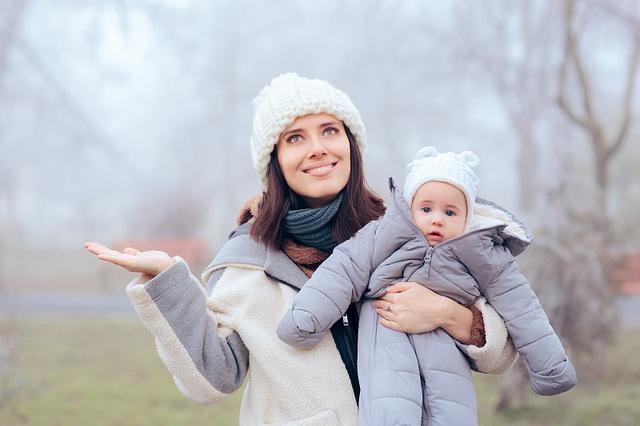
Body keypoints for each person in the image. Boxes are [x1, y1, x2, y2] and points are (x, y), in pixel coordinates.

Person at [84, 73, 517, 426]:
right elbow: (212, 381)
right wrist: (166, 282)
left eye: (330, 130)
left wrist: (448, 314)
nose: (318, 149)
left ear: (350, 144)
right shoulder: (248, 262)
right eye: (294, 138)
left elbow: (500, 353)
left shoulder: (410, 231)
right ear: (274, 160)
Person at [277, 146, 578, 425]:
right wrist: (306, 319)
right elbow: (344, 268)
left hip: (444, 348)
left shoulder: (482, 252)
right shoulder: (385, 233)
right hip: (386, 335)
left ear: (467, 217)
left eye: (450, 212)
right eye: (426, 209)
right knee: (390, 408)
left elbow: (522, 307)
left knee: (450, 410)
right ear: (410, 207)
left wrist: (550, 368)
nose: (437, 220)